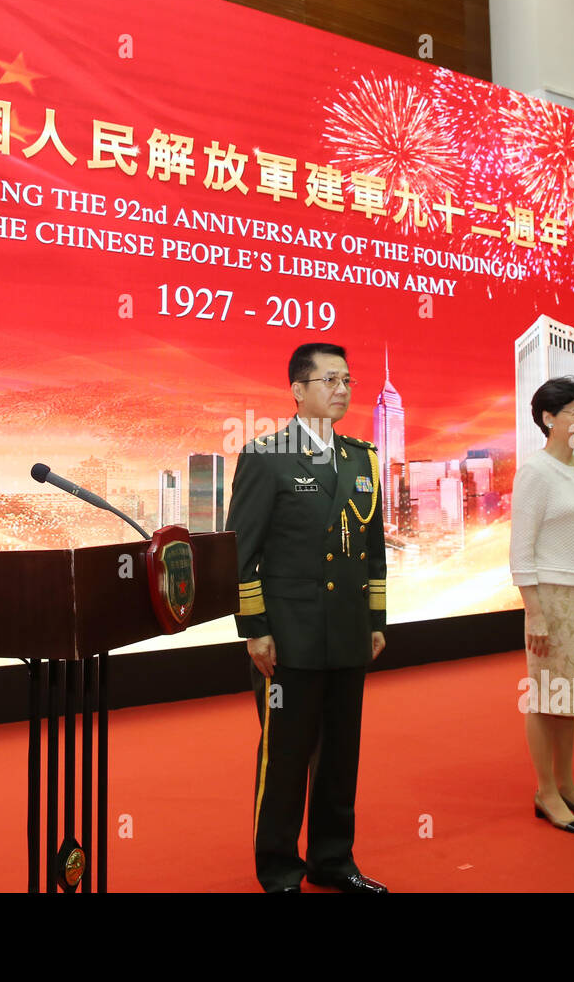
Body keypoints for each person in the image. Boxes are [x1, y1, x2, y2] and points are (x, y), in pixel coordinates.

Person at [225, 342, 387, 893]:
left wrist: (376, 621)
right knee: (287, 754)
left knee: (341, 753)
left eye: (348, 380)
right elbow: (241, 552)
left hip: (345, 629)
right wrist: (255, 630)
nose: (342, 390)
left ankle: (333, 860)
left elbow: (374, 548)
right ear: (297, 390)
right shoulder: (266, 455)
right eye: (330, 380)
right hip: (288, 637)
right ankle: (279, 869)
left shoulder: (361, 457)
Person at [510, 376, 574, 834]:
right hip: (552, 598)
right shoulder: (535, 471)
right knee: (545, 695)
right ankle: (545, 790)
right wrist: (534, 610)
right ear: (549, 418)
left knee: (569, 698)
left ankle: (568, 784)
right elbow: (521, 550)